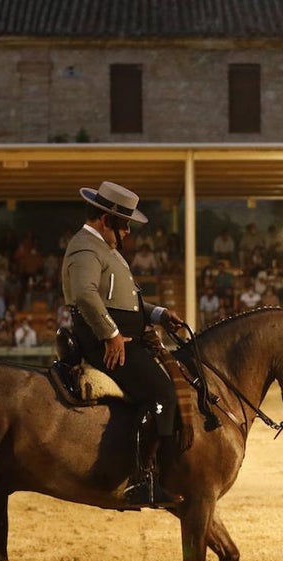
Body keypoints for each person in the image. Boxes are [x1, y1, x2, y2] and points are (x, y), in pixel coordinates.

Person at [62, 181, 185, 509]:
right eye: (125, 224)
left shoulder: (104, 249)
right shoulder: (86, 248)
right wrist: (111, 334)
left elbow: (122, 303)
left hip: (121, 336)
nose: (129, 231)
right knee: (161, 393)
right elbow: (86, 296)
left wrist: (158, 314)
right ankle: (143, 480)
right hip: (103, 342)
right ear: (106, 220)